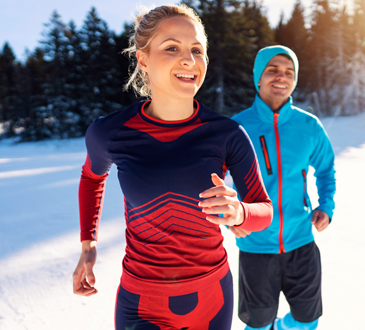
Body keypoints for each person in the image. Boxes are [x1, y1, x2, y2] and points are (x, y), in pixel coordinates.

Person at [72, 5, 272, 330]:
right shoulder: (111, 132)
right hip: (141, 302)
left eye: (197, 50)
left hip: (212, 298)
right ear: (143, 59)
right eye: (172, 48)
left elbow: (264, 210)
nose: (189, 60)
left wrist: (239, 213)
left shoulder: (227, 134)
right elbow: (92, 178)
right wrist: (88, 245)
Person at [230, 45, 336, 330]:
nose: (281, 77)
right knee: (258, 324)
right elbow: (208, 180)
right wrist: (227, 217)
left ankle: (284, 327)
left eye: (289, 72)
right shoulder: (236, 128)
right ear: (258, 78)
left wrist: (326, 206)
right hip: (255, 245)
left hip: (301, 240)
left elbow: (326, 169)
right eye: (273, 70)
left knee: (307, 320)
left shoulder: (308, 126)